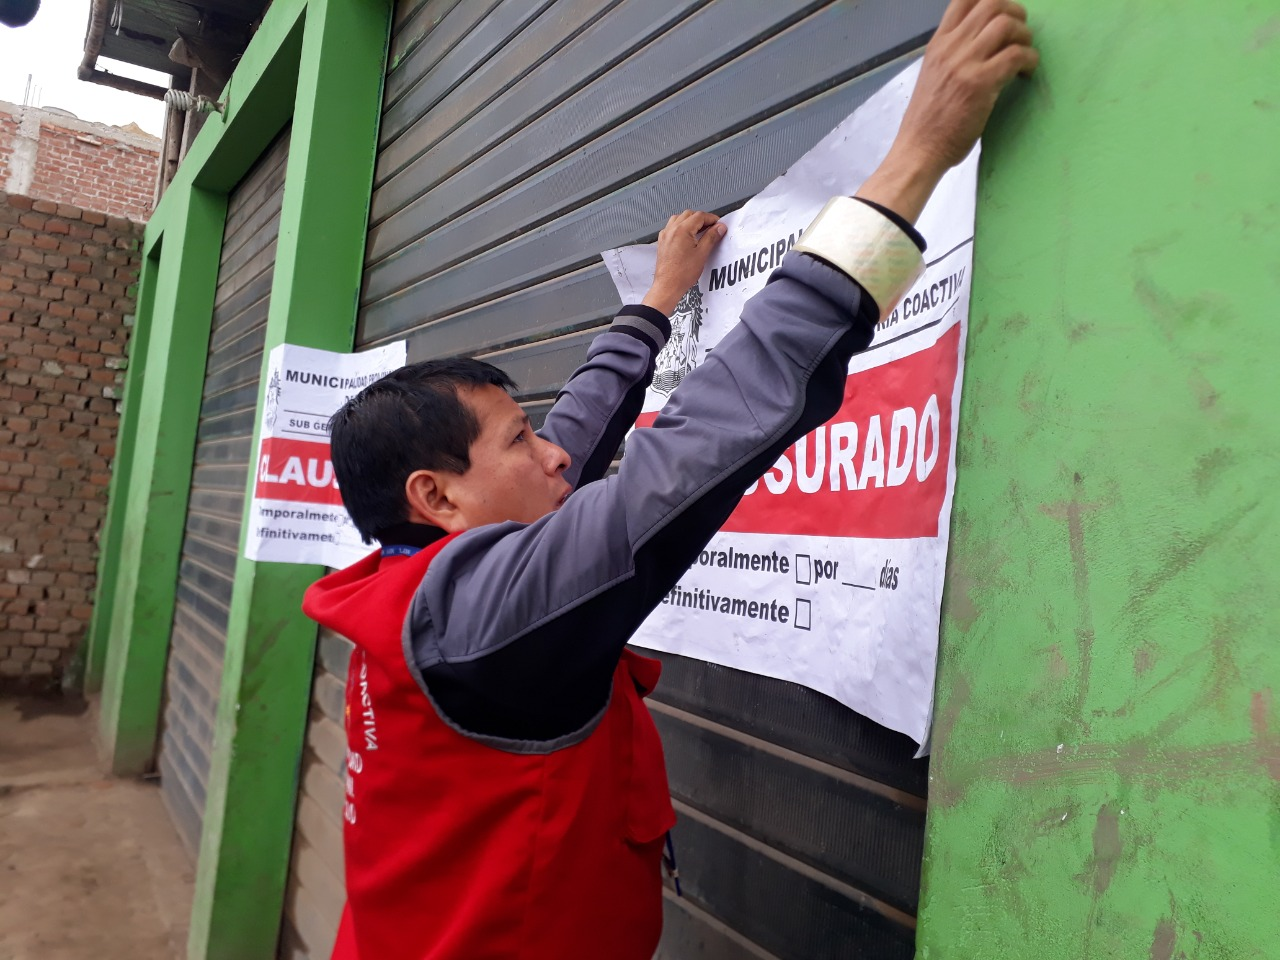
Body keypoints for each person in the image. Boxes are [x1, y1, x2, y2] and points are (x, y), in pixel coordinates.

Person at [303, 1, 1037, 957]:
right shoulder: (484, 621)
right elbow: (696, 442)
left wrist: (657, 301)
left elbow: (576, 435)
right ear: (434, 498)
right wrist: (914, 161)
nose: (554, 452)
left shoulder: (417, 592)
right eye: (518, 440)